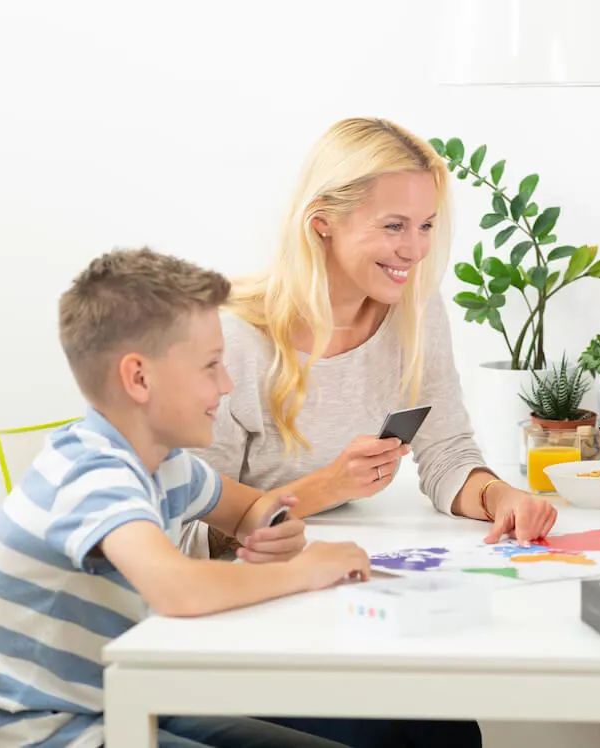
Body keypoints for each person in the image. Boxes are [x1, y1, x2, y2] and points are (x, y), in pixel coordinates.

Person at [183, 117, 558, 747]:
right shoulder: (235, 337)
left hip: (339, 589)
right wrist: (326, 488)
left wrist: (500, 497)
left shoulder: (414, 309)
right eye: (393, 226)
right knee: (391, 726)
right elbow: (192, 517)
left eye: (426, 225)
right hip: (248, 608)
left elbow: (447, 450)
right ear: (322, 220)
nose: (414, 249)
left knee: (449, 727)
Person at [0, 248, 364, 748]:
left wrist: (270, 528)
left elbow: (251, 508)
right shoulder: (91, 473)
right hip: (50, 734)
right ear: (139, 378)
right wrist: (303, 570)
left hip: (124, 701)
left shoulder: (164, 463)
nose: (227, 384)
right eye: (211, 366)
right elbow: (179, 590)